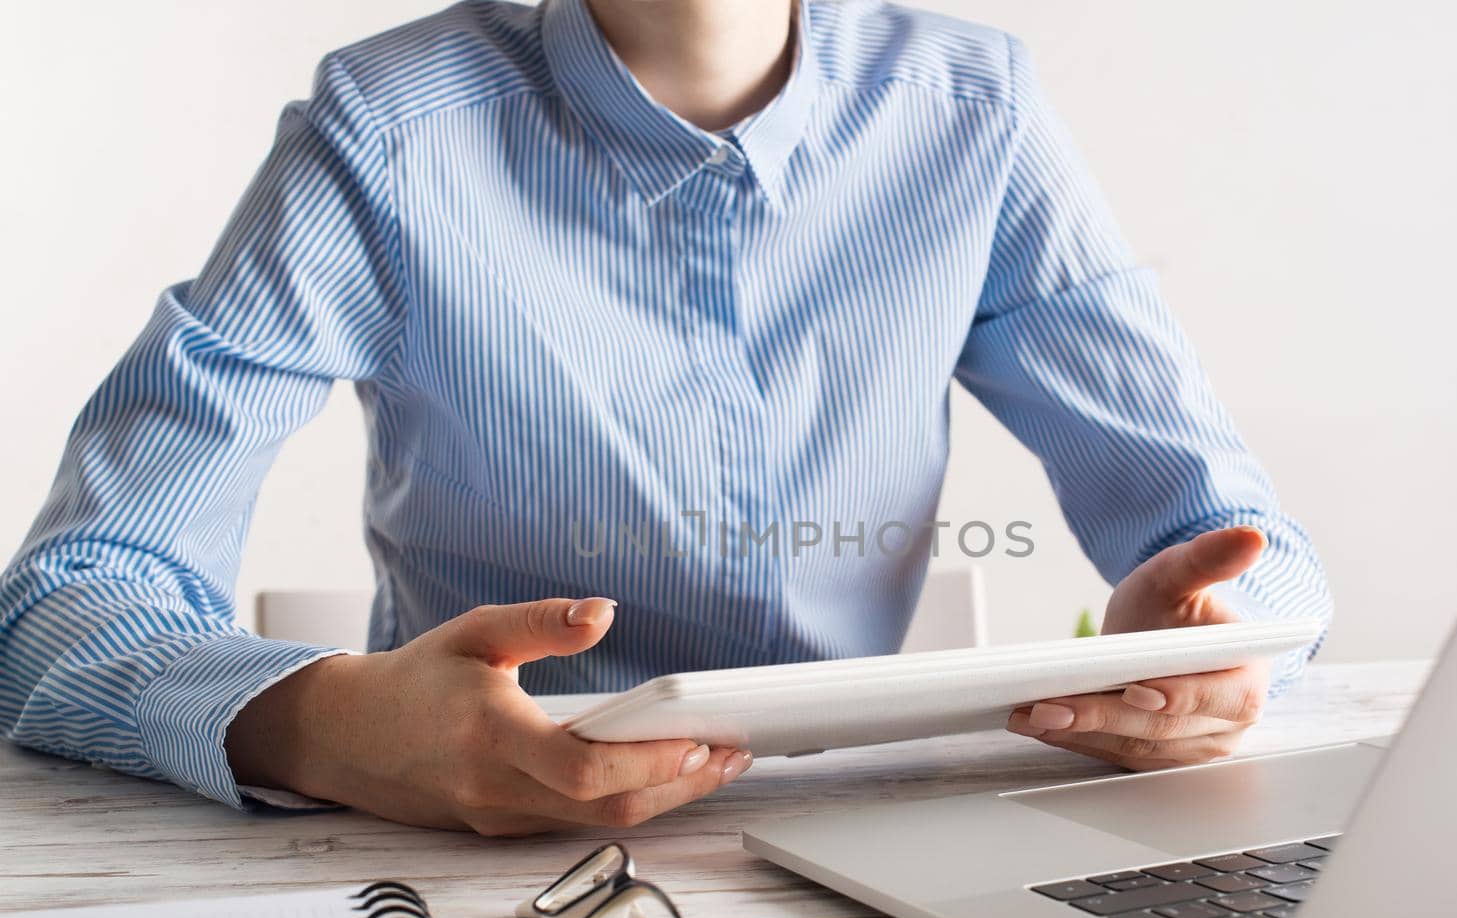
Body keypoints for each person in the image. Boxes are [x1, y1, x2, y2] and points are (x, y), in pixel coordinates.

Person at [0, 0, 1331, 835]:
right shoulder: (388, 127)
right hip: (486, 862)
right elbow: (65, 601)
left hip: (884, 833)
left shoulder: (974, 108)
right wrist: (320, 723)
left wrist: (1229, 647)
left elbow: (1242, 540)